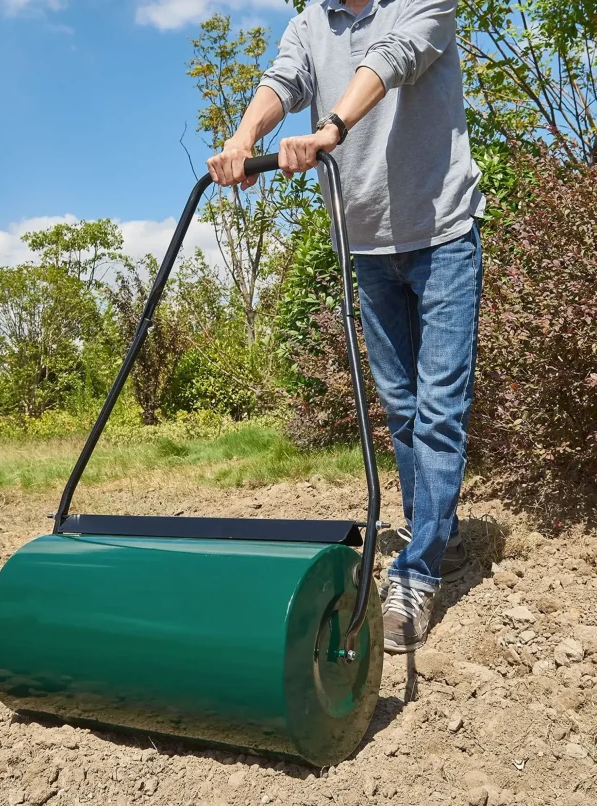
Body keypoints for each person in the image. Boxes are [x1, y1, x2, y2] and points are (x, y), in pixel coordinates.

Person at [207, 0, 484, 653]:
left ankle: (416, 574)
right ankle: (433, 538)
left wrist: (332, 126)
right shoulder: (310, 23)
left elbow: (392, 59)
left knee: (440, 410)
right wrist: (244, 139)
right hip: (365, 245)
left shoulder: (422, 2)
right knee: (404, 410)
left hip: (442, 234)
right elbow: (283, 80)